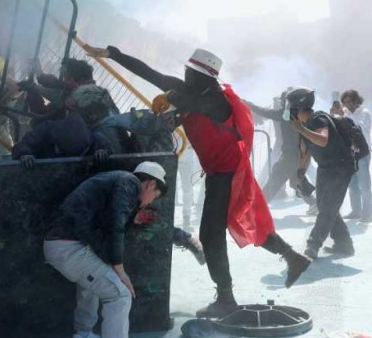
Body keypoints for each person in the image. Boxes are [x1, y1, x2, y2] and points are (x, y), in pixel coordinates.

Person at [83, 45, 311, 318]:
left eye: (191, 72)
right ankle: (292, 257)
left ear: (205, 77)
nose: (186, 75)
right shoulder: (192, 91)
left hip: (228, 173)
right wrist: (114, 54)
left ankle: (226, 297)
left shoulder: (215, 99)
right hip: (220, 172)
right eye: (186, 70)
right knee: (239, 223)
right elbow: (150, 73)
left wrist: (172, 99)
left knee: (211, 236)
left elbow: (192, 103)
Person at [43, 162, 168, 338]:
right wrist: (120, 270)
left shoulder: (117, 181)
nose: (150, 202)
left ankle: (84, 333)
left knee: (92, 283)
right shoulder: (130, 182)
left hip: (62, 244)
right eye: (155, 196)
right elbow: (115, 224)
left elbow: (106, 222)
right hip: (68, 247)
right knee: (120, 295)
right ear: (151, 184)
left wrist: (132, 219)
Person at [287, 88, 357, 258]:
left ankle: (313, 245)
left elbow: (323, 139)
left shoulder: (317, 118)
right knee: (325, 205)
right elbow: (305, 153)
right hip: (325, 167)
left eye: (290, 106)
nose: (288, 110)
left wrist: (301, 130)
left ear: (298, 107)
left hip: (340, 166)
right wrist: (300, 175)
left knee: (327, 207)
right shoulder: (304, 125)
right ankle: (344, 244)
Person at [245, 90, 318, 212]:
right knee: (295, 182)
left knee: (274, 182)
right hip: (296, 155)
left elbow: (264, 111)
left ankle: (256, 209)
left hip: (291, 156)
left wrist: (246, 103)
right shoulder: (299, 114)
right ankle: (315, 203)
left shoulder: (288, 115)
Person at [339, 89, 372, 222]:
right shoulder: (345, 112)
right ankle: (356, 211)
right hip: (349, 153)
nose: (347, 104)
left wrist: (343, 117)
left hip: (362, 152)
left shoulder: (364, 113)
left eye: (350, 102)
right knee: (352, 185)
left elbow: (359, 127)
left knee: (364, 185)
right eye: (345, 102)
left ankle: (368, 213)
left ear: (356, 101)